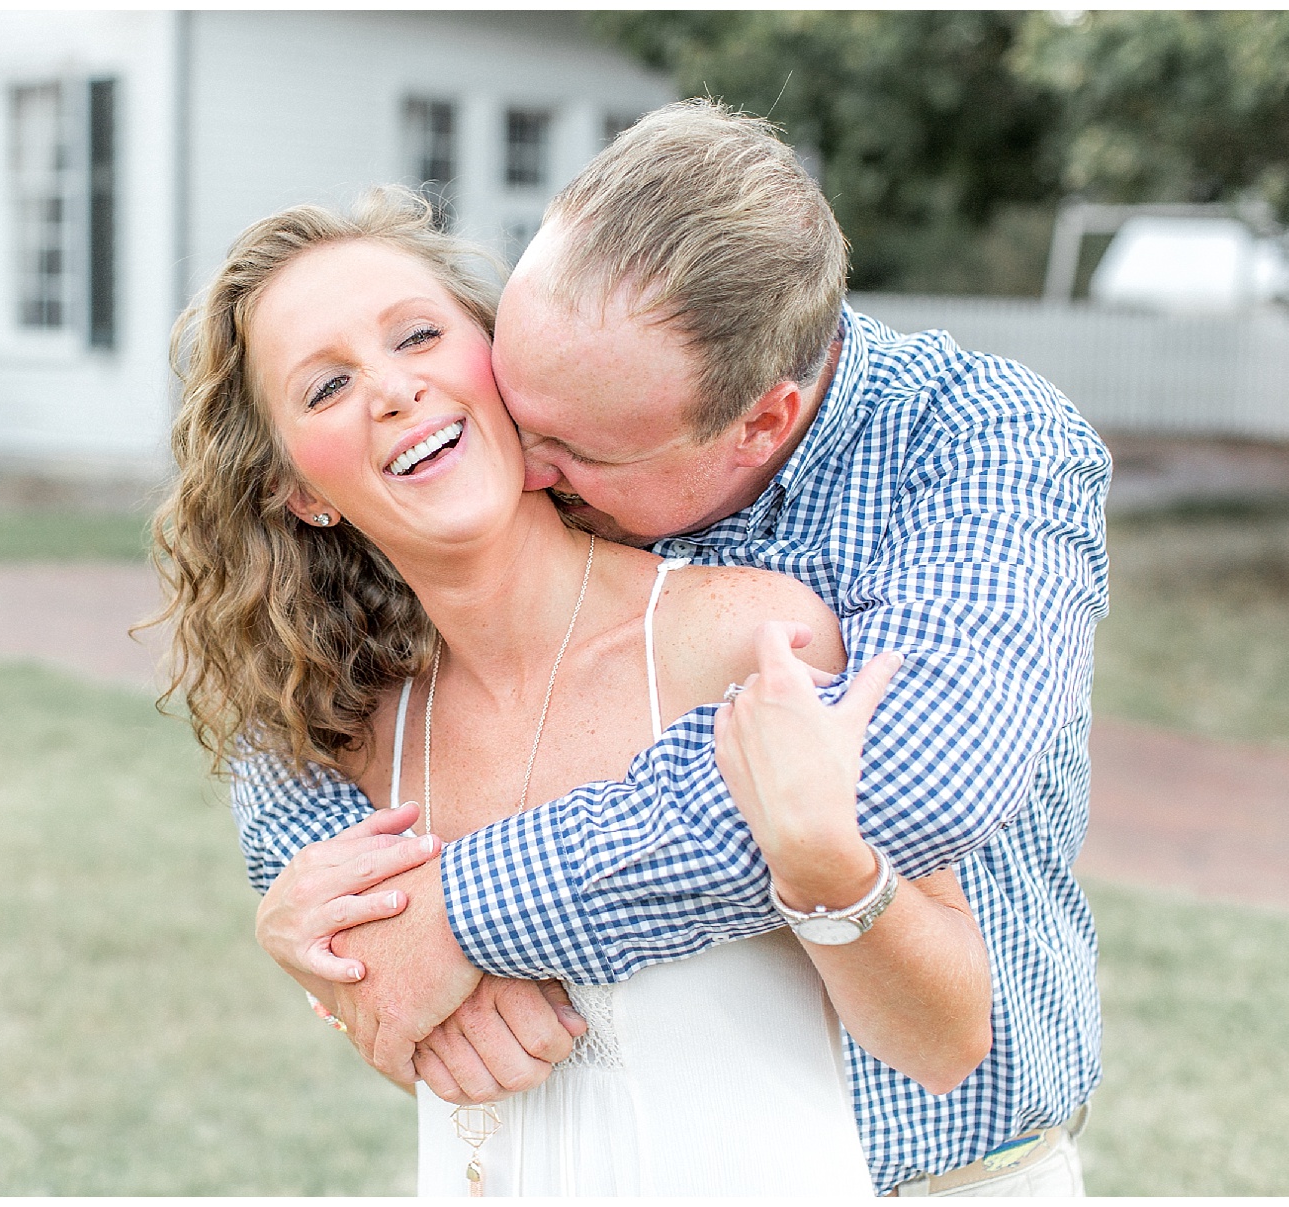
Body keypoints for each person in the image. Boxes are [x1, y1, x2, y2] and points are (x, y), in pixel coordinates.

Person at [226, 100, 1110, 1197]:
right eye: (522, 399)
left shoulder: (951, 466)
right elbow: (279, 726)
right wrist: (328, 905)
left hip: (956, 1170)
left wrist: (454, 913)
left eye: (571, 445)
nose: (532, 465)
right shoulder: (368, 702)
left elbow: (906, 785)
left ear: (760, 422)